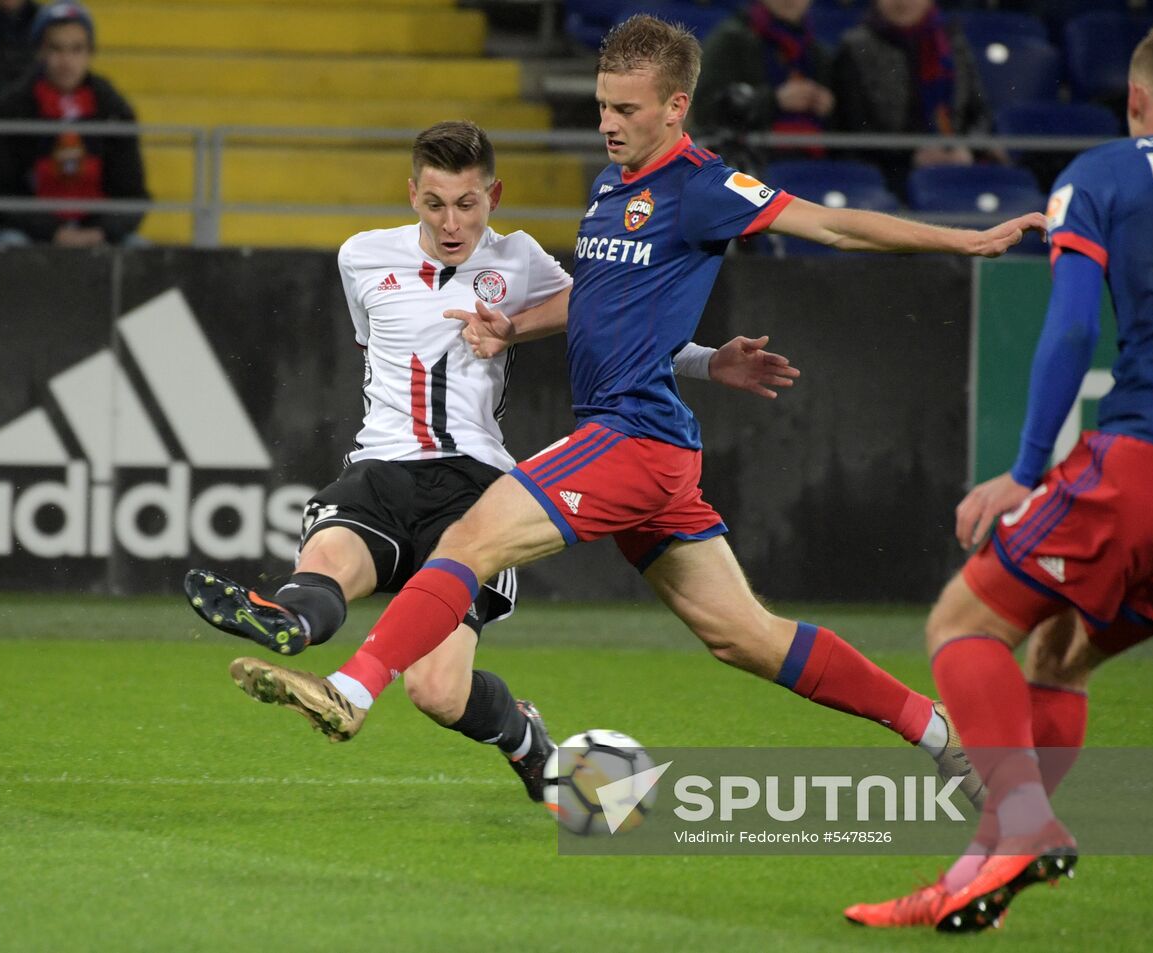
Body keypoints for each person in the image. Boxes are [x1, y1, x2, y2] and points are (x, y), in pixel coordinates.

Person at [227, 16, 1042, 806]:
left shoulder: (704, 185)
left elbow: (830, 224)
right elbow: (605, 311)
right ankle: (937, 731)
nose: (608, 123)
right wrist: (557, 332)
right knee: (745, 635)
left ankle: (351, 688)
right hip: (644, 444)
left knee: (468, 539)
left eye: (626, 109)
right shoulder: (614, 184)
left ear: (676, 106)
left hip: (632, 438)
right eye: (602, 104)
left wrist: (962, 240)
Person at [189, 119, 802, 802]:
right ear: (411, 194)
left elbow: (612, 324)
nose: (452, 222)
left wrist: (707, 360)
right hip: (381, 471)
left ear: (495, 195)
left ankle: (525, 739)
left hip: (475, 490)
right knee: (327, 562)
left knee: (435, 689)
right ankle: (290, 623)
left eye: (468, 204)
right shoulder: (361, 257)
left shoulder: (522, 263)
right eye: (434, 204)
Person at [844, 20, 1153, 933]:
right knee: (1061, 648)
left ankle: (1022, 823)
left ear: (1134, 101)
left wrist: (1023, 470)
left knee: (962, 621)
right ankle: (979, 874)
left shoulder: (1104, 172)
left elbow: (1074, 329)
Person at [0, 2, 148, 249]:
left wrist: (101, 231)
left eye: (76, 49)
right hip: (31, 233)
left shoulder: (113, 108)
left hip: (99, 232)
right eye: (56, 49)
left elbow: (133, 193)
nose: (66, 61)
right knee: (11, 247)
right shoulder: (12, 108)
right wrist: (51, 231)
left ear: (90, 52)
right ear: (40, 52)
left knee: (141, 250)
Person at [831, 0, 991, 190]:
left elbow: (980, 113)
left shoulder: (952, 40)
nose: (903, 2)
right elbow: (853, 125)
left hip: (957, 164)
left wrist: (967, 149)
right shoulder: (855, 46)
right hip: (886, 171)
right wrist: (912, 155)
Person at [691, 0, 835, 155]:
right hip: (743, 159)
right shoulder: (730, 41)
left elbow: (850, 127)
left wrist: (829, 106)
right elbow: (705, 109)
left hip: (813, 158)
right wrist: (775, 100)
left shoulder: (817, 53)